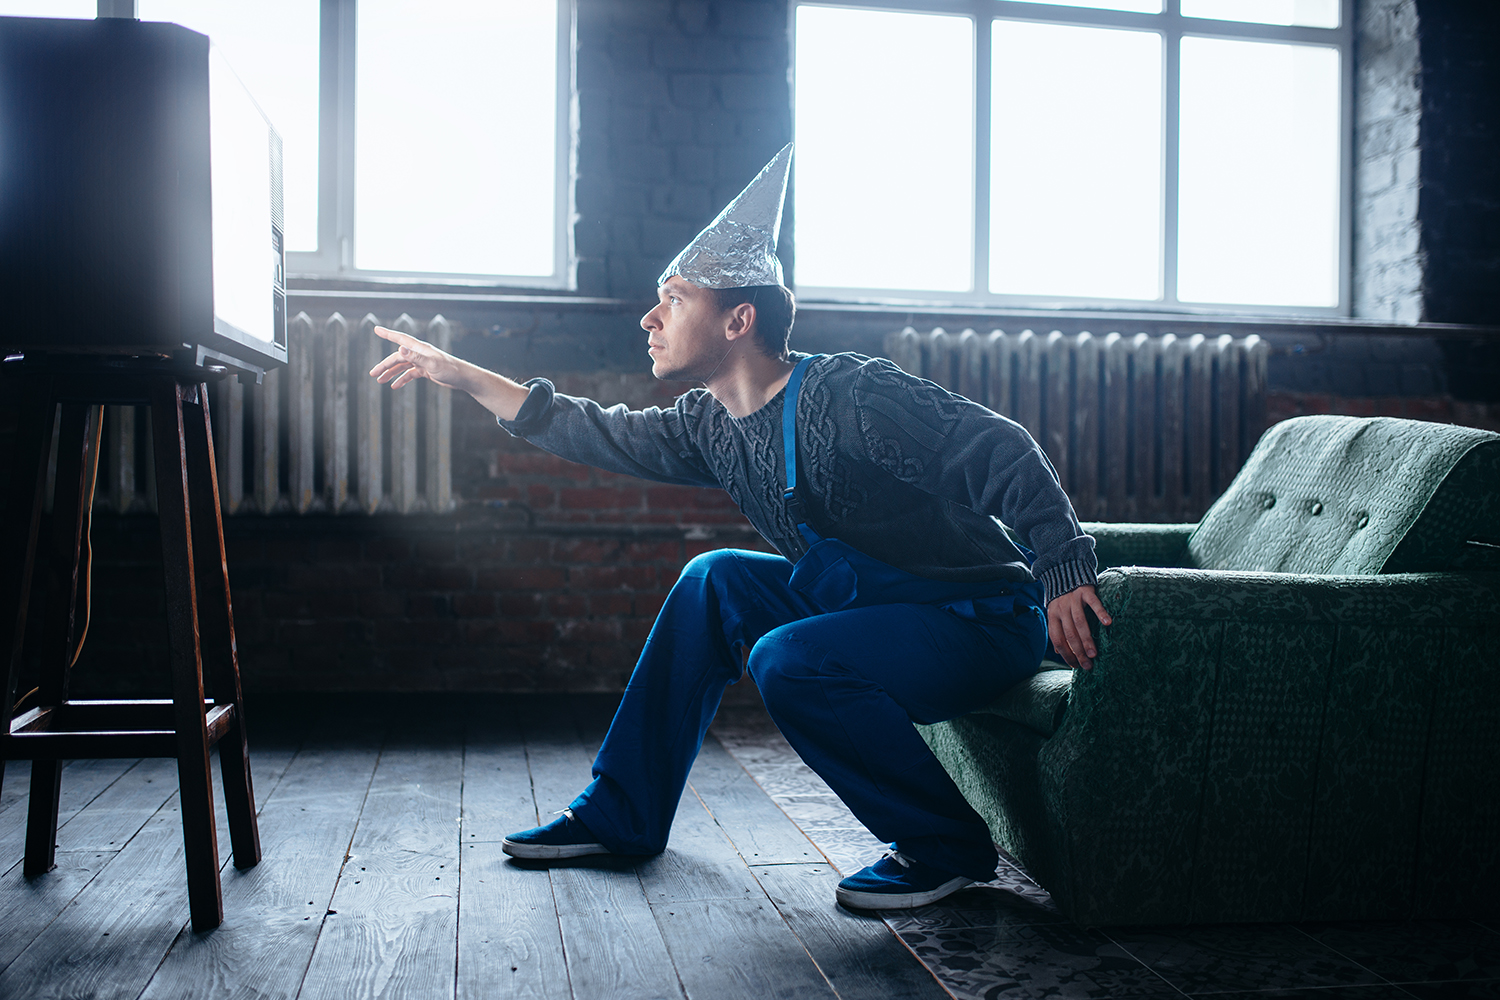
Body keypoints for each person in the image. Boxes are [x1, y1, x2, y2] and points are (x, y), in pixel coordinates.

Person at [368, 143, 1110, 910]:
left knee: (790, 657)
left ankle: (944, 846)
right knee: (713, 579)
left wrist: (1063, 569)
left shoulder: (854, 396)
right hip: (874, 610)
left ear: (738, 319)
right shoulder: (709, 424)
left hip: (979, 621)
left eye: (674, 300)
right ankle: (623, 812)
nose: (650, 318)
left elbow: (1001, 450)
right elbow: (590, 428)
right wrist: (459, 374)